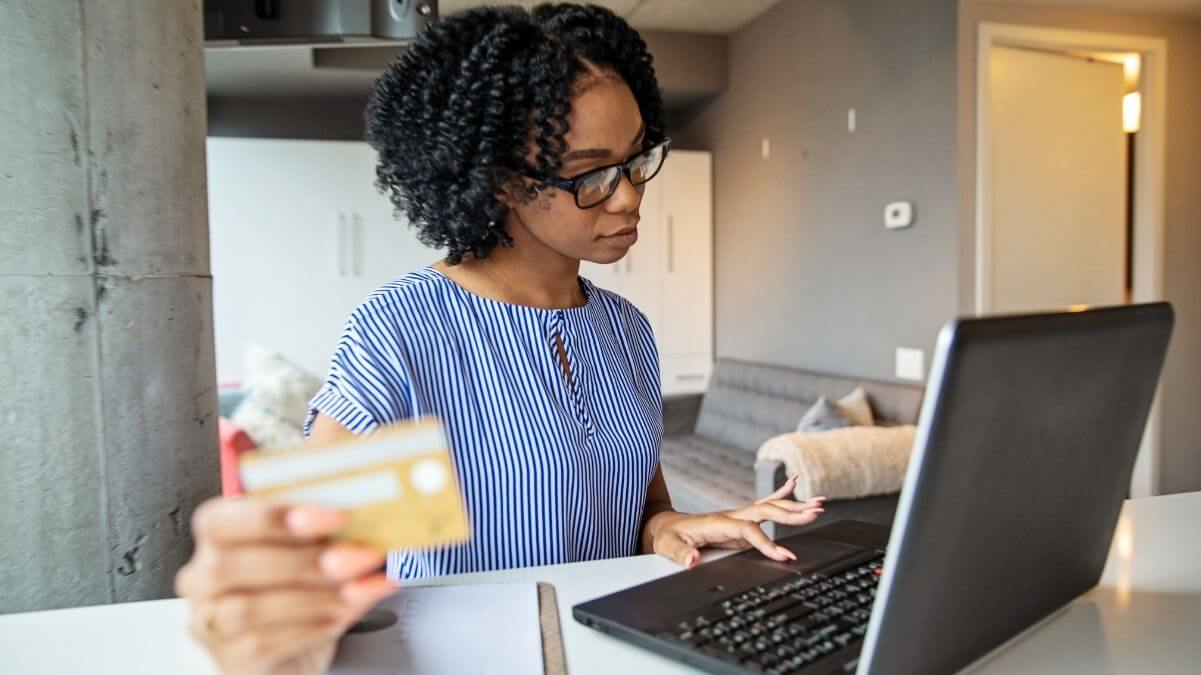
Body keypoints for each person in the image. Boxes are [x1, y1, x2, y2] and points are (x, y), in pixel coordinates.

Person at [176, 4, 825, 673]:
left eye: (637, 160)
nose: (629, 197)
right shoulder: (405, 329)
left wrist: (667, 525)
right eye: (592, 174)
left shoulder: (626, 329)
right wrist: (264, 597)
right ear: (503, 180)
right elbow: (314, 554)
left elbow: (644, 501)